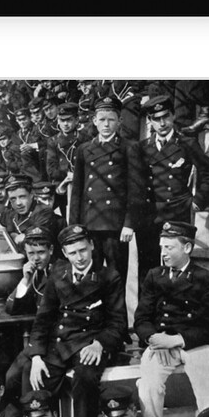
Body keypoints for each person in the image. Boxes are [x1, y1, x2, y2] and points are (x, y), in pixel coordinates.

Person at [7, 224, 128, 417]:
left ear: (91, 246)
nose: (79, 258)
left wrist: (100, 344)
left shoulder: (109, 277)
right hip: (59, 344)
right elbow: (43, 319)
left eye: (83, 250)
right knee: (32, 374)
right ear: (64, 253)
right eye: (73, 253)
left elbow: (118, 322)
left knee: (85, 378)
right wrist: (36, 356)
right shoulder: (58, 274)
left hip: (90, 344)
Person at [134, 221, 209, 417]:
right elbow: (141, 318)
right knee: (148, 386)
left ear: (187, 248)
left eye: (169, 247)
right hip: (160, 343)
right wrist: (155, 340)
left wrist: (174, 340)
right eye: (162, 247)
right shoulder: (154, 276)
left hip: (194, 344)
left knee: (208, 393)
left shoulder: (204, 278)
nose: (163, 253)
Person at [136, 95, 209, 283]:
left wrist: (197, 202)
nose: (162, 123)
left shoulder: (186, 143)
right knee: (148, 271)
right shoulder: (142, 148)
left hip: (177, 214)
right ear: (150, 121)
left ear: (173, 115)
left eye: (166, 117)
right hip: (149, 217)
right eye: (156, 119)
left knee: (177, 269)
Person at [69, 95, 143, 286]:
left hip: (115, 227)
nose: (106, 124)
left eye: (111, 119)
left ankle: (117, 317)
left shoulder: (129, 147)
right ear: (94, 121)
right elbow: (77, 191)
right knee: (89, 277)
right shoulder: (84, 149)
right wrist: (74, 227)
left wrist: (129, 223)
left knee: (116, 278)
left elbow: (135, 189)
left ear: (119, 121)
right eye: (102, 119)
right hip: (89, 224)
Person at [6, 225, 54, 316]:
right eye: (31, 253)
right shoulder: (30, 272)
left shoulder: (60, 271)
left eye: (41, 252)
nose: (36, 258)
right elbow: (10, 309)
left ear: (51, 250)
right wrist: (25, 281)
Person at [1, 174, 58, 247]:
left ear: (31, 195)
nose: (18, 203)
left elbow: (33, 240)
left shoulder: (44, 211)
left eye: (22, 197)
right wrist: (15, 236)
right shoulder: (10, 212)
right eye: (13, 199)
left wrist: (14, 236)